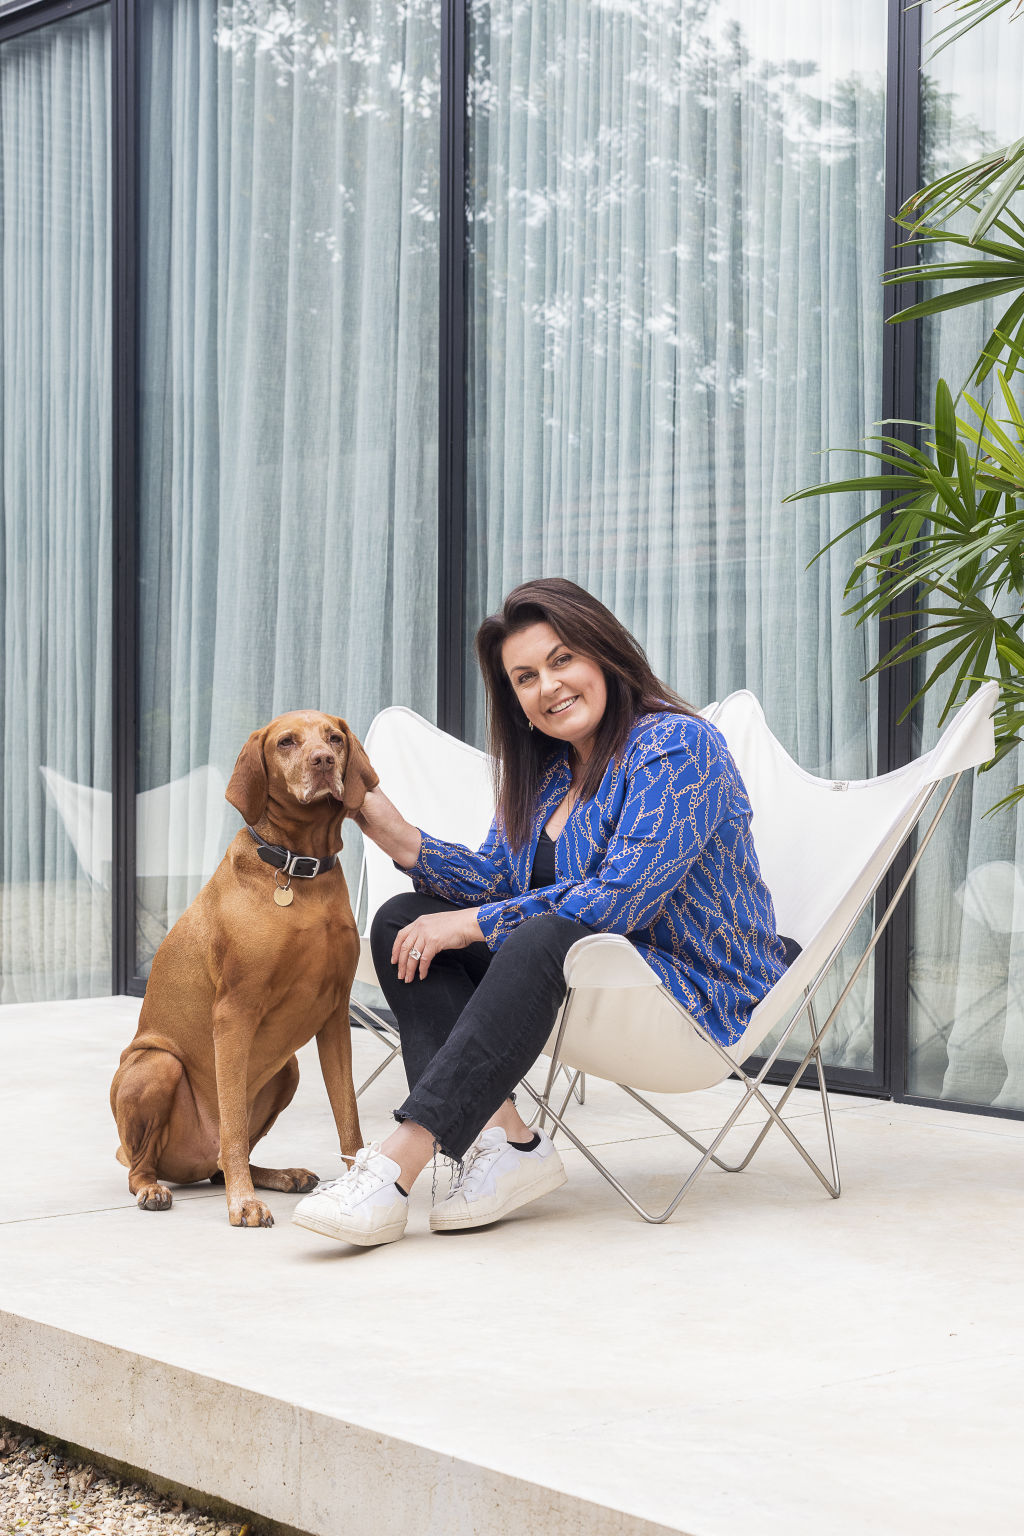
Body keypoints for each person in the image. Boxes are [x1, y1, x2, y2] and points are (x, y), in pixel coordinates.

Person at [292, 578, 789, 1248]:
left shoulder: (676, 747)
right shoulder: (548, 773)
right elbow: (494, 882)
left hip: (695, 995)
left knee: (543, 930)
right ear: (516, 701)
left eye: (562, 660)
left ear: (605, 657)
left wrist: (470, 925)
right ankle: (508, 1142)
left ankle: (395, 1165)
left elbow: (622, 897)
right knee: (402, 920)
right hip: (589, 983)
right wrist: (385, 826)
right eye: (525, 677)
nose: (548, 686)